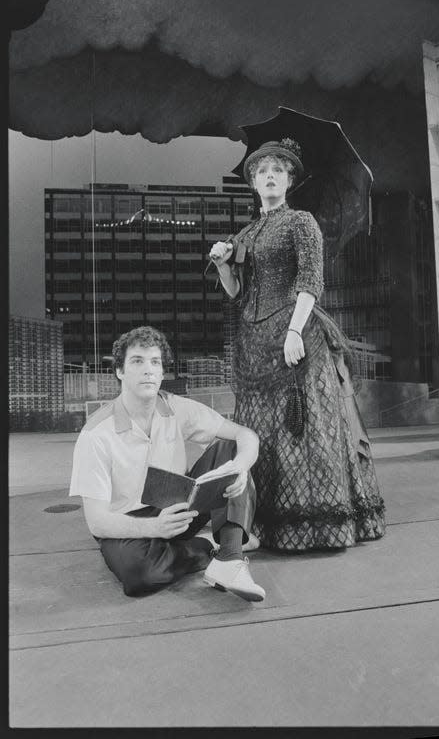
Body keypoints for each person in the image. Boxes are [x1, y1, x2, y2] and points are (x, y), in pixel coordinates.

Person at [209, 138, 386, 552]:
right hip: (254, 343)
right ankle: (257, 524)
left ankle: (312, 526)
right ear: (253, 182)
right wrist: (222, 264)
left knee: (299, 428)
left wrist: (294, 330)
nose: (270, 176)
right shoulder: (246, 232)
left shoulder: (301, 222)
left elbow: (311, 281)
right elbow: (237, 292)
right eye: (262, 171)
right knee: (260, 432)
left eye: (278, 170)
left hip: (297, 338)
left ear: (289, 180)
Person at [69, 326, 265, 601]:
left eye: (155, 362)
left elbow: (245, 435)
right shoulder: (96, 434)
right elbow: (97, 522)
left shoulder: (176, 407)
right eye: (137, 361)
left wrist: (241, 466)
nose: (148, 370)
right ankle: (208, 546)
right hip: (126, 523)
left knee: (230, 450)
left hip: (178, 507)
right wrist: (154, 528)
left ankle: (230, 558)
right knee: (139, 576)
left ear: (162, 372)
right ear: (120, 372)